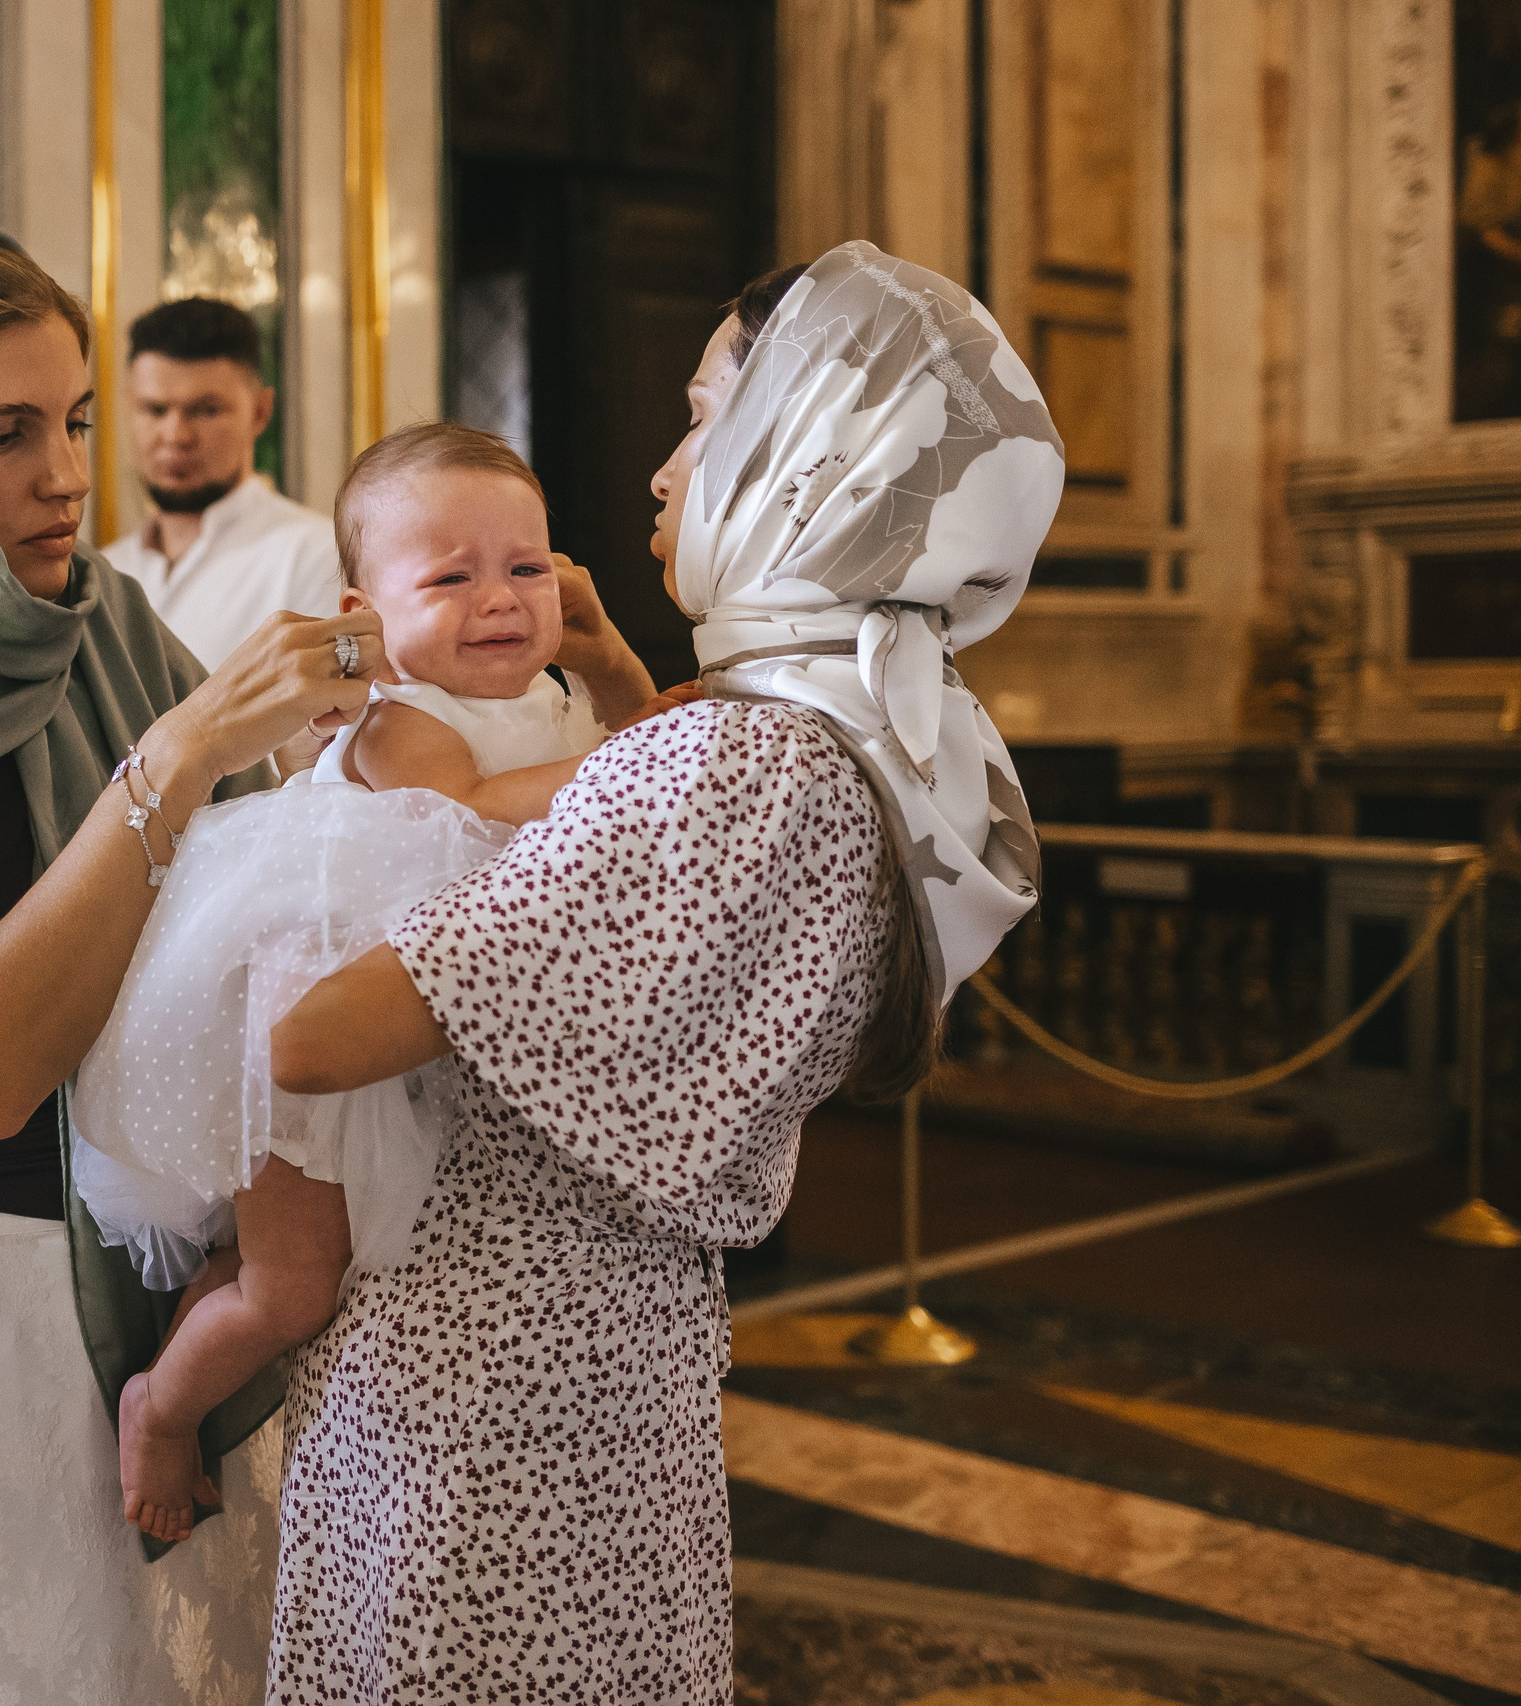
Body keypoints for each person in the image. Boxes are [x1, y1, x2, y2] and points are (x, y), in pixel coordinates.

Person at [258, 244, 1062, 1703]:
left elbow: (315, 1038)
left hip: (476, 1385)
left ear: (807, 454)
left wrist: (287, 841)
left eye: (703, 419)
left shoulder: (728, 760)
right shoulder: (858, 734)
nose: (662, 468)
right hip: (621, 1366)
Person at [0, 229, 485, 1702]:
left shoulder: (98, 622)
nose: (67, 476)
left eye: (73, 421)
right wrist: (182, 750)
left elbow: (269, 885)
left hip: (194, 1290)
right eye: (1, 433)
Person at [72, 423, 621, 1540]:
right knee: (291, 1289)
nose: (499, 599)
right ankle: (160, 1408)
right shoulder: (406, 717)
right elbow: (470, 806)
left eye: (526, 567)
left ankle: (191, 1348)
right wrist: (626, 763)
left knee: (272, 1258)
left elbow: (644, 736)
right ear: (364, 616)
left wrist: (612, 665)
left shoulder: (553, 693)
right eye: (450, 578)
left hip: (401, 1031)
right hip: (295, 1038)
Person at [103, 296, 340, 669]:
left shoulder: (317, 558)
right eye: (155, 410)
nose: (175, 435)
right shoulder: (105, 571)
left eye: (206, 410)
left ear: (260, 412)